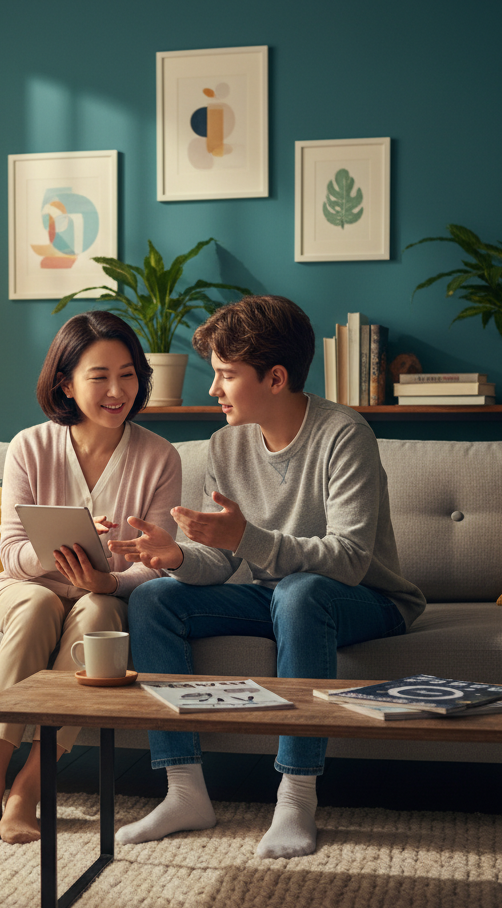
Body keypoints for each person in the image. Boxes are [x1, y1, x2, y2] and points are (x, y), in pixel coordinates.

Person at [108, 295, 425, 858]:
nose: (214, 389)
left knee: (301, 594)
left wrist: (244, 539)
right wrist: (176, 557)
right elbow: (225, 562)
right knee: (156, 599)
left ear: (275, 377)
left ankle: (296, 796)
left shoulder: (345, 434)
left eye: (227, 375)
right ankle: (184, 791)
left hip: (368, 600)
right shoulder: (225, 445)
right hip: (277, 596)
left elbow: (350, 558)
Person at [0, 310, 182, 847]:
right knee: (36, 608)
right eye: (99, 376)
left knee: (100, 618)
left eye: (127, 375)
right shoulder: (29, 446)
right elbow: (11, 554)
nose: (116, 390)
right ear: (65, 382)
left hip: (101, 595)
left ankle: (29, 792)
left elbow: (158, 564)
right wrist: (59, 553)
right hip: (24, 589)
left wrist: (109, 584)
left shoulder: (159, 457)